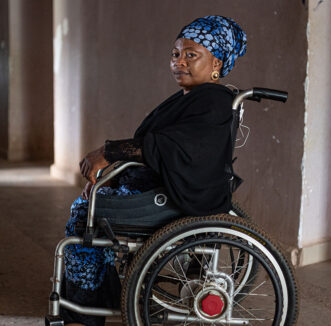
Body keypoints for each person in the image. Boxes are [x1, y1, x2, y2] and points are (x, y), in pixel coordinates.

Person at [61, 15, 247, 326]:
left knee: (84, 215)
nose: (179, 62)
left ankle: (82, 314)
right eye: (176, 54)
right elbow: (155, 146)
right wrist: (109, 177)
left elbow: (170, 148)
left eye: (191, 55)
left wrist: (108, 153)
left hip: (172, 199)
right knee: (91, 202)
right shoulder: (192, 98)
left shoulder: (213, 100)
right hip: (160, 188)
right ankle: (95, 300)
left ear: (216, 62)